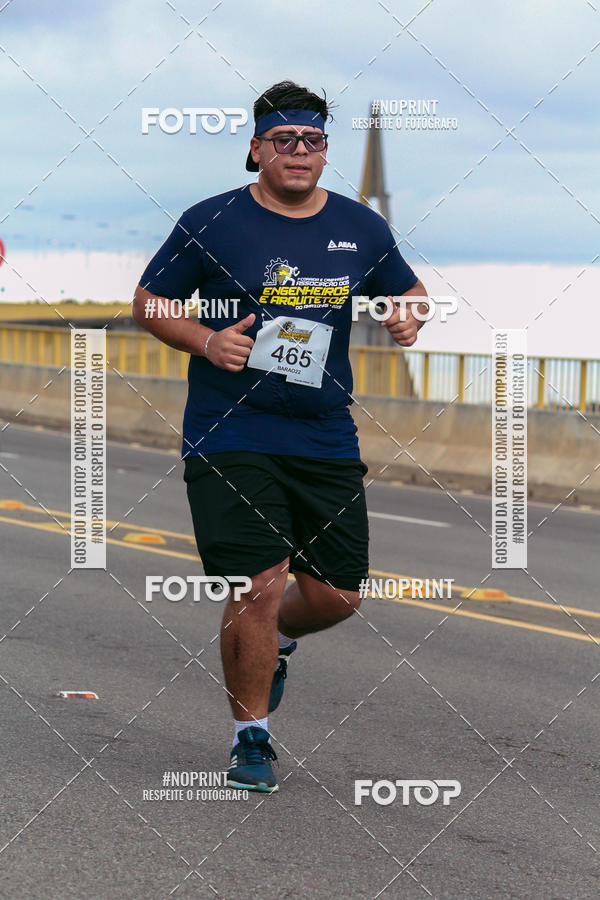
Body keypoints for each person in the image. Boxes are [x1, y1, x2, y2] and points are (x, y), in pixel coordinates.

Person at [133, 80, 428, 793]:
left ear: (326, 152)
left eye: (315, 141)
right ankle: (251, 739)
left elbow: (407, 289)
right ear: (257, 149)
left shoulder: (362, 227)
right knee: (258, 584)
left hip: (323, 432)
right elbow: (149, 300)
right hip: (230, 431)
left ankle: (278, 642)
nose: (301, 152)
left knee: (337, 596)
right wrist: (207, 341)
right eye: (286, 140)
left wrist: (409, 315)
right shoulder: (214, 220)